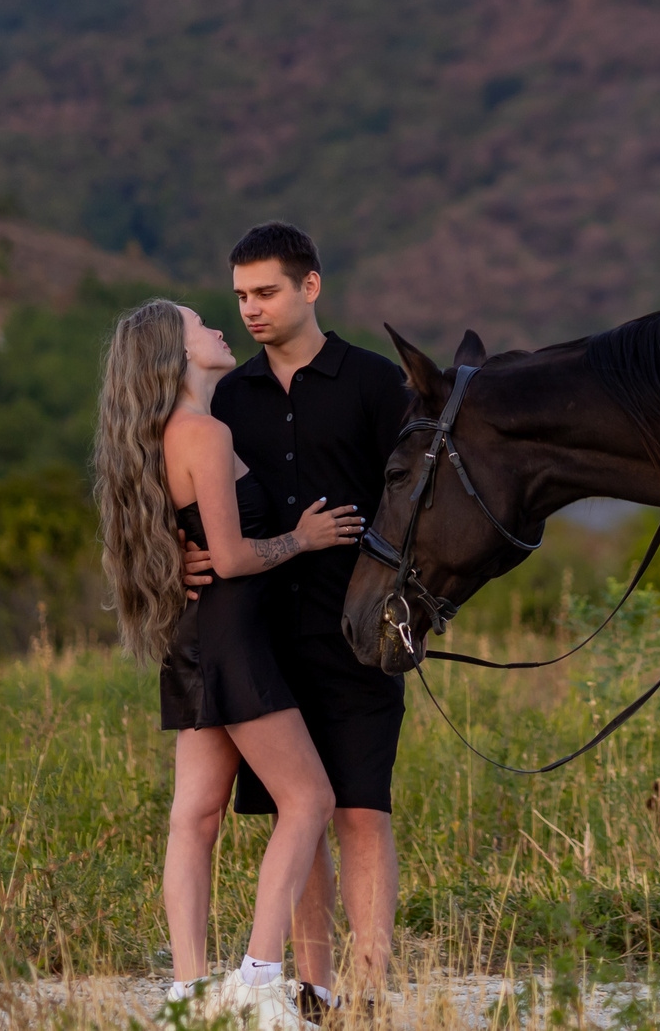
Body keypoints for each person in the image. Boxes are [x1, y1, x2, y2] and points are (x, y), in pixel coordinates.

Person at [92, 298, 366, 1026]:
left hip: (192, 635)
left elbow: (186, 542)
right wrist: (304, 539)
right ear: (173, 354)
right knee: (309, 799)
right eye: (198, 325)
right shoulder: (205, 433)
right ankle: (258, 970)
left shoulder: (152, 436)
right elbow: (238, 555)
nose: (218, 327)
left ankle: (187, 988)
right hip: (235, 638)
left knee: (195, 815)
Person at [185, 222, 410, 1014]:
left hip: (359, 632)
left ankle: (373, 989)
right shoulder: (228, 394)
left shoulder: (376, 384)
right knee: (298, 812)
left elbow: (418, 499)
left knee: (360, 810)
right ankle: (314, 990)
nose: (249, 307)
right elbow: (185, 491)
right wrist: (176, 557)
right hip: (261, 638)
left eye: (266, 291)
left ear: (310, 286)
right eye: (240, 294)